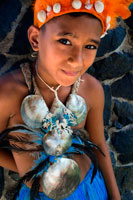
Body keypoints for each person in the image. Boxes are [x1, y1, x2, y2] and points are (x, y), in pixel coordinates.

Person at [0, 0, 132, 199]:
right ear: (35, 39)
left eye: (89, 46)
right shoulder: (9, 93)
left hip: (90, 189)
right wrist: (27, 167)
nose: (77, 60)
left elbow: (98, 144)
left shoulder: (91, 90)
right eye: (65, 41)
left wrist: (115, 196)